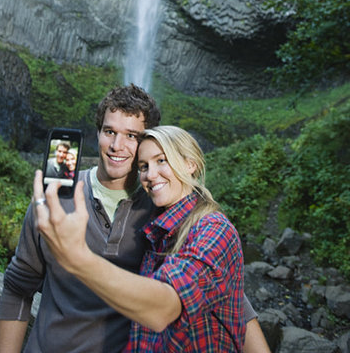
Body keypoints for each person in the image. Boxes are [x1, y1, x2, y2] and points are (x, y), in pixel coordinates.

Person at [0, 84, 271, 353]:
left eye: (131, 136)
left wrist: (77, 257)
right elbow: (19, 285)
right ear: (98, 134)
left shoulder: (164, 209)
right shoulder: (53, 199)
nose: (117, 145)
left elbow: (222, 294)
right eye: (109, 131)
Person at [34, 125, 246, 351]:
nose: (150, 175)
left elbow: (163, 309)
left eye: (161, 160)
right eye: (143, 166)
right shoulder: (156, 230)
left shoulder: (214, 230)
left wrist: (78, 257)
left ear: (190, 163)